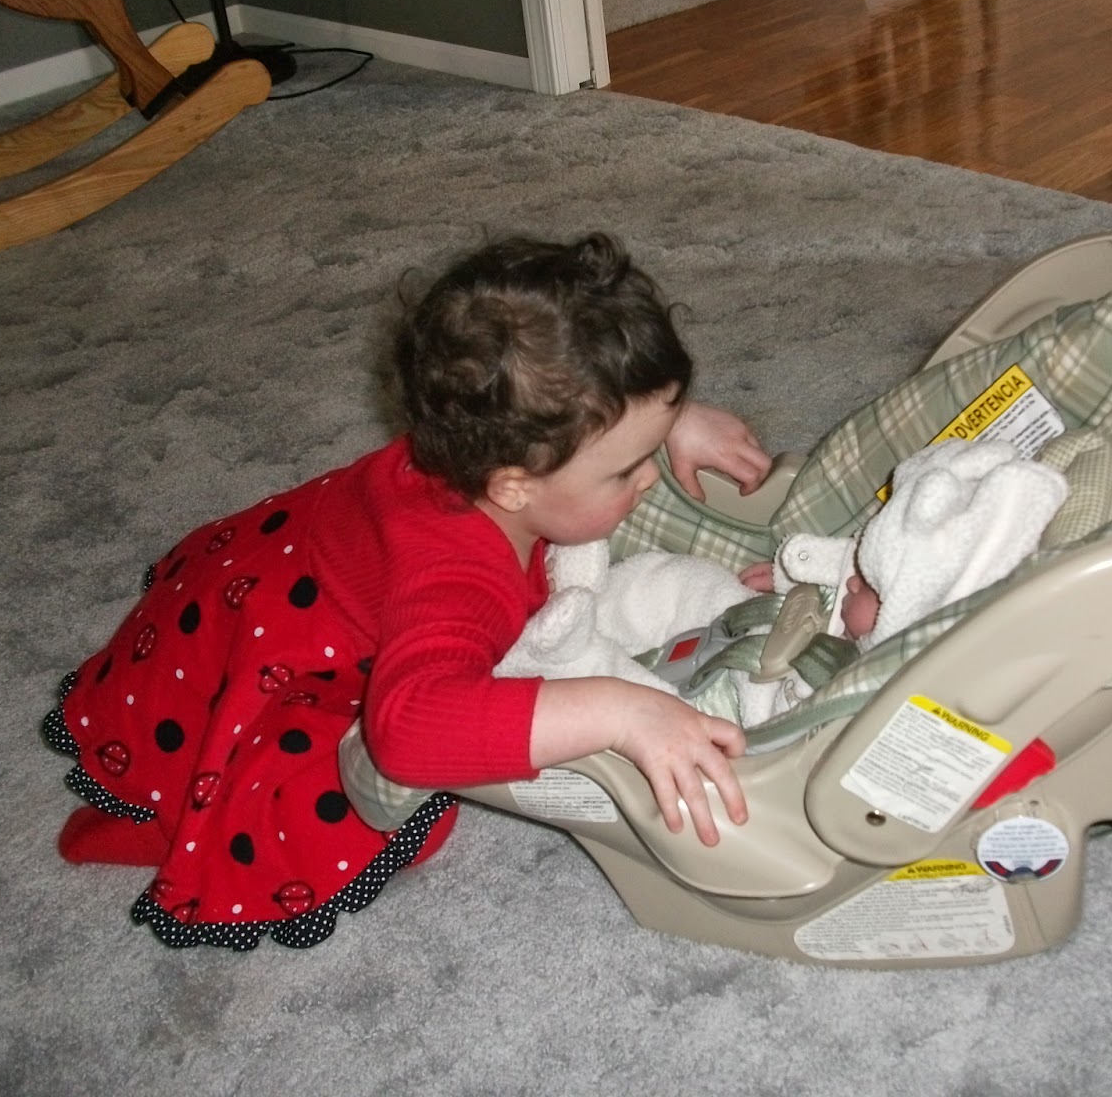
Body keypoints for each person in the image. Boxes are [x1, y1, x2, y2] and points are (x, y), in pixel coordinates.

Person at [42, 232, 771, 950]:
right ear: (513, 486)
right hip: (262, 671)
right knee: (394, 819)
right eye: (627, 469)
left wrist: (668, 419)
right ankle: (168, 819)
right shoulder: (458, 580)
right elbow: (407, 732)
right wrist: (619, 711)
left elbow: (584, 413)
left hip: (270, 574)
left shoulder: (483, 440)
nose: (649, 478)